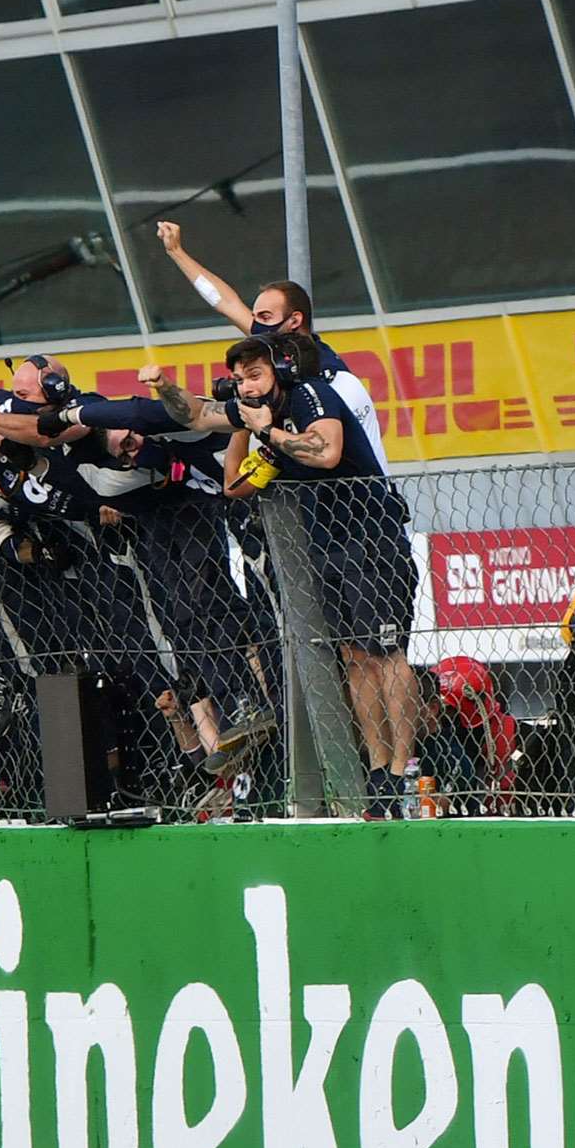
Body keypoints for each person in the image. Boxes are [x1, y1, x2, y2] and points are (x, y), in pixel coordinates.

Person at [207, 335, 422, 816]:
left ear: (279, 371)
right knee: (355, 657)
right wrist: (243, 424)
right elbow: (234, 485)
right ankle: (377, 769)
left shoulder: (311, 395)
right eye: (239, 378)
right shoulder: (264, 424)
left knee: (387, 651)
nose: (246, 384)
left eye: (255, 374)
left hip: (371, 536)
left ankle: (402, 771)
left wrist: (272, 431)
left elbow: (325, 453)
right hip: (323, 546)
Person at [150, 222, 388, 471]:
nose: (255, 329)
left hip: (366, 492)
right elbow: (226, 302)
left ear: (294, 321)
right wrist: (176, 252)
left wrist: (267, 430)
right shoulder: (277, 356)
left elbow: (328, 451)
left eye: (264, 318)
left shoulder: (325, 373)